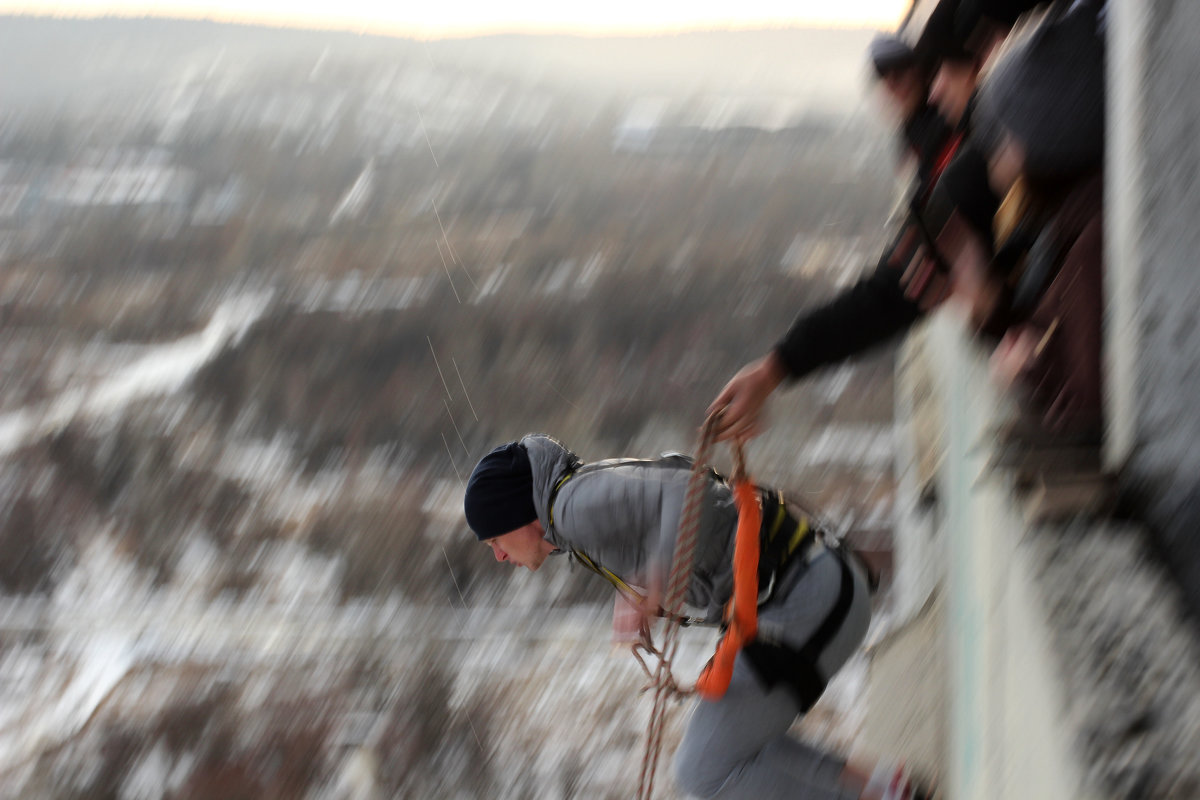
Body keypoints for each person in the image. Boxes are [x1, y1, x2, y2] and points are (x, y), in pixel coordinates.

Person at [464, 434, 932, 800]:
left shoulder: (568, 508)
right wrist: (641, 589)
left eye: (494, 542)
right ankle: (887, 787)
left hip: (809, 597)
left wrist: (659, 577)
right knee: (731, 746)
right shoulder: (571, 508)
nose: (500, 557)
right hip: (821, 586)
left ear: (515, 515)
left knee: (702, 769)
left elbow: (691, 492)